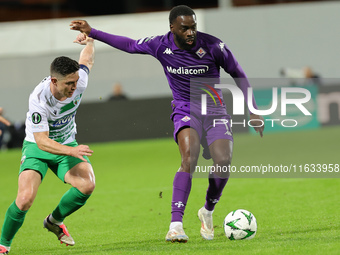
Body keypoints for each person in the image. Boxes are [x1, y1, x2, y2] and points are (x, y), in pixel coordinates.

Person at [70, 5, 264, 243]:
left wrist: (253, 109)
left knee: (223, 161)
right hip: (185, 109)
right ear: (173, 28)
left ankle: (208, 210)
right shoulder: (160, 45)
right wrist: (94, 32)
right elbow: (130, 45)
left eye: (193, 27)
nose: (191, 32)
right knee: (189, 157)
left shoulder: (214, 46)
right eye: (185, 28)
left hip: (214, 110)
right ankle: (176, 225)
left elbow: (239, 73)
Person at [0, 33, 95, 255]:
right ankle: (3, 244)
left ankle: (54, 221)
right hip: (38, 147)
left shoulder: (79, 81)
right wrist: (71, 150)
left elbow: (87, 60)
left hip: (66, 143)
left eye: (75, 82)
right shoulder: (39, 99)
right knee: (24, 200)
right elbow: (42, 141)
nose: (74, 87)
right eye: (68, 84)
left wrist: (90, 40)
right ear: (54, 81)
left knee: (87, 185)